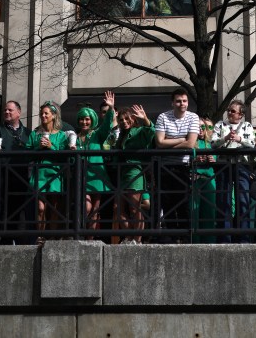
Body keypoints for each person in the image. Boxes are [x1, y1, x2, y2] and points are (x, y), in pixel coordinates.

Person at [0, 101, 32, 245]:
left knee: (16, 209)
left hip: (20, 176)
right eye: (5, 110)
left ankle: (13, 238)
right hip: (0, 175)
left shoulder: (28, 132)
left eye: (10, 110)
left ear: (19, 112)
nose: (7, 112)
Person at [155, 88, 199, 240]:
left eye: (185, 101)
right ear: (172, 103)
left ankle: (186, 239)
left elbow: (191, 143)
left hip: (183, 167)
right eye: (179, 101)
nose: (182, 104)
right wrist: (182, 140)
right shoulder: (163, 117)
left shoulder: (193, 117)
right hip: (165, 167)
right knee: (167, 205)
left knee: (183, 204)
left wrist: (170, 142)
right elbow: (159, 142)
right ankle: (172, 238)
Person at [211, 100, 256, 243]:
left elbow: (253, 144)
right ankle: (224, 238)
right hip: (224, 165)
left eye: (232, 111)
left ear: (241, 114)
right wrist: (225, 138)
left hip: (241, 165)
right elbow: (212, 143)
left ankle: (244, 238)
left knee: (243, 201)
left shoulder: (247, 126)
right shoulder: (220, 125)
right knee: (223, 201)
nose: (229, 113)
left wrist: (239, 139)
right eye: (229, 110)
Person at [26, 101, 69, 245]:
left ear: (54, 116)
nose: (43, 116)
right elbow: (27, 152)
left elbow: (65, 155)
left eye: (46, 113)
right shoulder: (35, 134)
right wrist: (38, 147)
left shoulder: (62, 135)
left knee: (54, 208)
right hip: (40, 174)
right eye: (42, 113)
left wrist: (51, 147)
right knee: (40, 208)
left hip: (56, 174)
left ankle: (51, 237)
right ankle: (40, 236)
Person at [74, 91, 116, 240]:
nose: (84, 122)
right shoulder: (74, 137)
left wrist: (111, 109)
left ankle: (89, 238)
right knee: (86, 207)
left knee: (95, 210)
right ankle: (82, 234)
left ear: (91, 120)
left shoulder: (97, 134)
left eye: (87, 119)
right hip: (82, 176)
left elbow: (107, 126)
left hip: (97, 176)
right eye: (81, 119)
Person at [114, 105, 155, 244]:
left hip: (134, 172)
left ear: (132, 119)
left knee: (134, 208)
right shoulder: (120, 135)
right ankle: (130, 236)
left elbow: (150, 132)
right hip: (122, 174)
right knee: (118, 209)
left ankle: (136, 239)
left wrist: (145, 119)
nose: (124, 121)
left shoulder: (138, 131)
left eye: (127, 119)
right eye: (121, 119)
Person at [192, 117, 216, 243]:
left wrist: (213, 159)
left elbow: (217, 159)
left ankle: (210, 243)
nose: (200, 129)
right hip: (195, 180)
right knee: (194, 213)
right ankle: (195, 243)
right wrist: (195, 160)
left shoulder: (210, 143)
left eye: (203, 127)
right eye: (197, 127)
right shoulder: (191, 143)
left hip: (209, 179)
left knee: (209, 214)